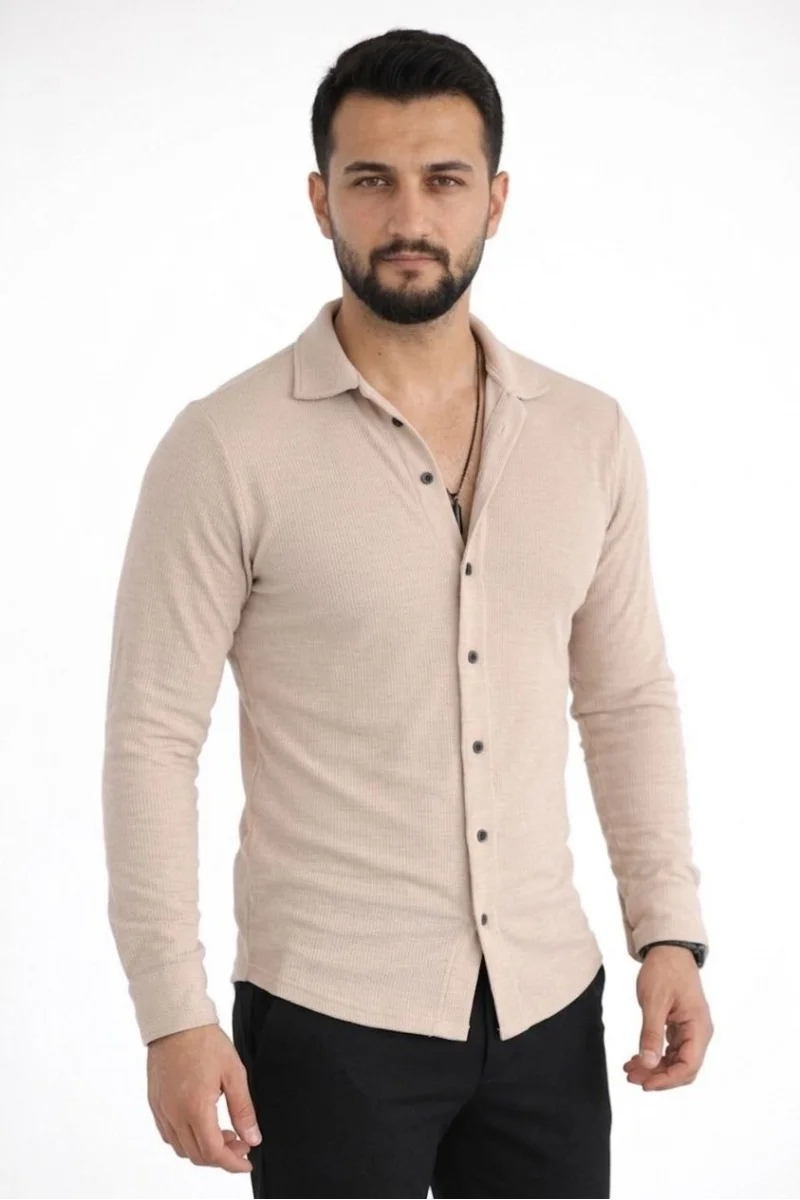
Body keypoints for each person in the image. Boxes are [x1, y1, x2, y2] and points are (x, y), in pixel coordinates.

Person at [101, 26, 713, 1200]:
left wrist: (666, 931)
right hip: (326, 1020)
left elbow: (626, 699)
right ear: (320, 198)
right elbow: (150, 737)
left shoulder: (587, 434)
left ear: (495, 199)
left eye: (442, 180)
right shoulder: (225, 446)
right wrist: (171, 1013)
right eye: (372, 181)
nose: (408, 217)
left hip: (547, 1007)